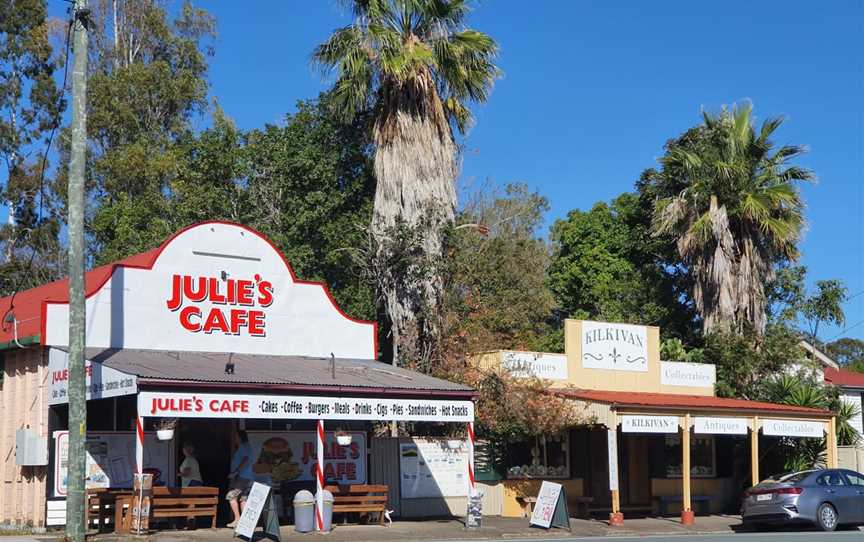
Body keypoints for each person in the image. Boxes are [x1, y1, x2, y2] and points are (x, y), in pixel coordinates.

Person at [226, 429, 254, 528]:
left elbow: (245, 459)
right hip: (249, 477)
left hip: (241, 477)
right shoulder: (248, 446)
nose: (234, 438)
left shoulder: (243, 447)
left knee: (231, 496)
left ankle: (237, 519)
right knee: (243, 498)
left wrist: (236, 472)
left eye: (235, 436)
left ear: (239, 437)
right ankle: (244, 522)